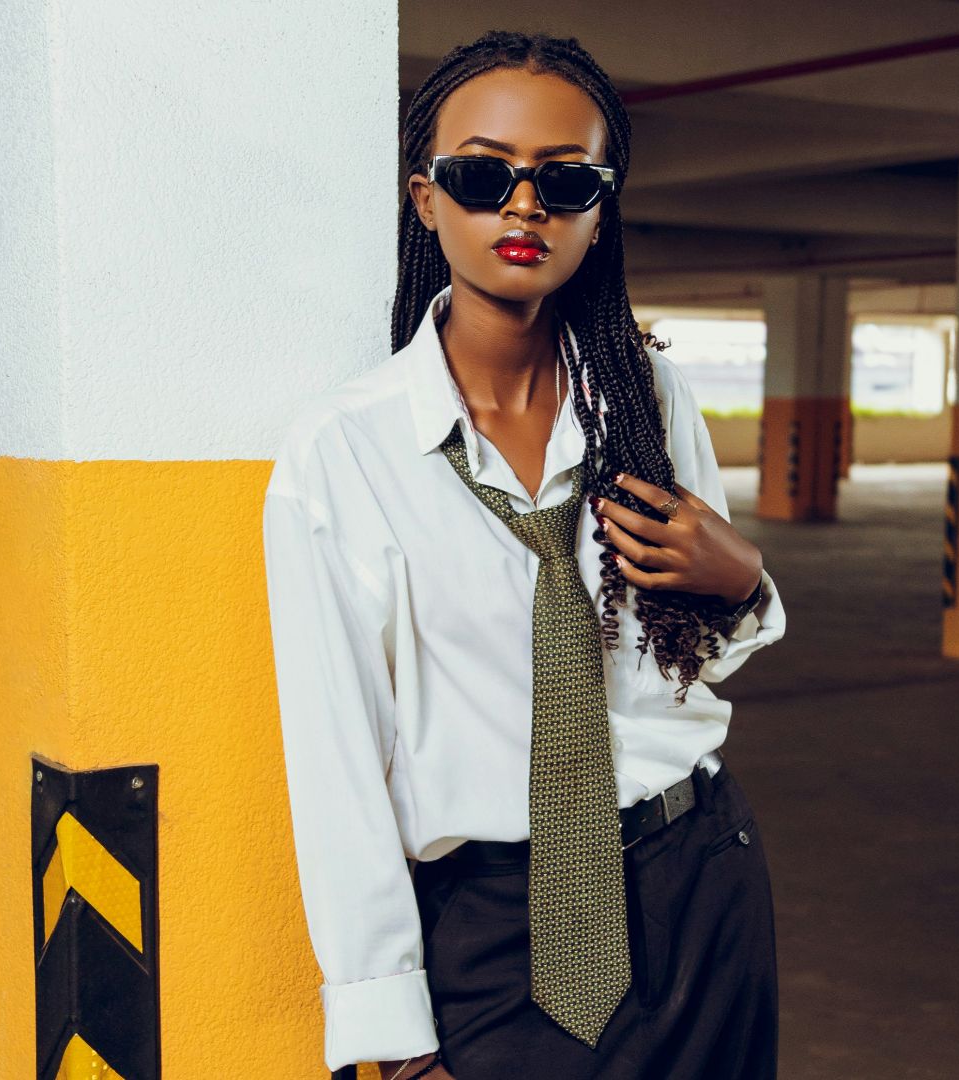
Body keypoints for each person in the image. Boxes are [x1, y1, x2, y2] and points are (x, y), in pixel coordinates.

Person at [262, 29, 787, 1080]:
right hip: (501, 935)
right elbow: (337, 767)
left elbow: (688, 661)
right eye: (482, 175)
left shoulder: (645, 398)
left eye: (564, 180)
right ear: (426, 198)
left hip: (702, 884)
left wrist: (744, 585)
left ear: (601, 209)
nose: (523, 206)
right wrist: (396, 1042)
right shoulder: (346, 453)